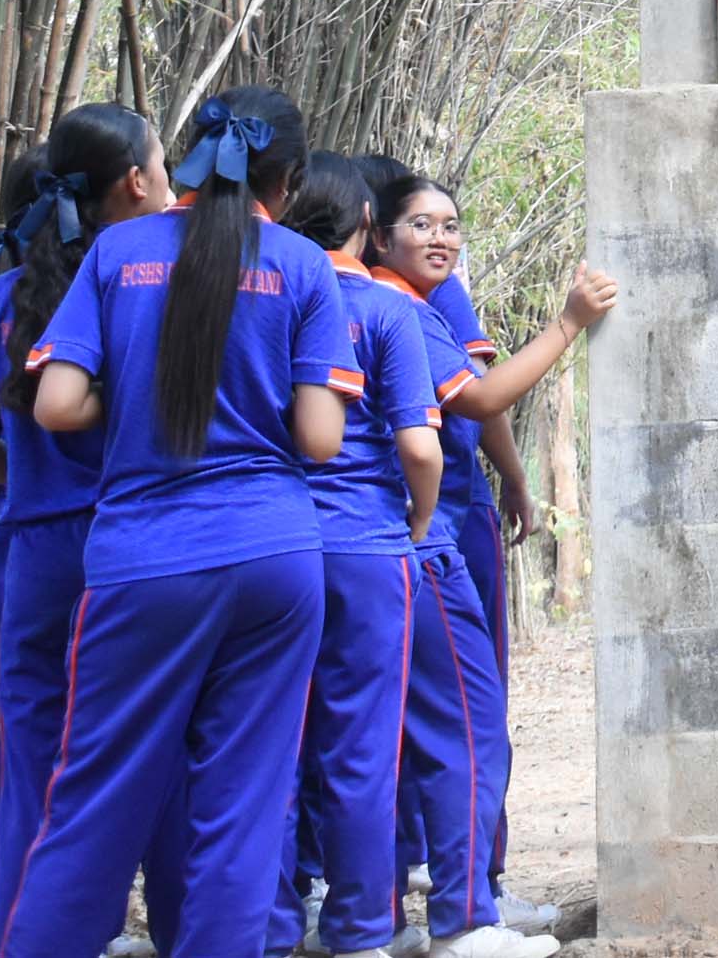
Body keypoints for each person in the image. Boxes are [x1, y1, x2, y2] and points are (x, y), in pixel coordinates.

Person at [0, 89, 366, 958]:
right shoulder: (303, 266)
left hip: (143, 558)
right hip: (275, 556)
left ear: (190, 158)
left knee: (93, 802)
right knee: (242, 810)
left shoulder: (118, 253)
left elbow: (55, 404)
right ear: (288, 181)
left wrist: (138, 392)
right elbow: (321, 437)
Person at [0, 109, 166, 958]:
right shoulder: (145, 284)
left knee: (27, 773)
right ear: (131, 182)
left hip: (27, 554)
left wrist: (30, 467)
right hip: (130, 547)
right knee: (156, 761)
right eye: (160, 164)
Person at [366, 165, 615, 954]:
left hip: (357, 543)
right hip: (417, 537)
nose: (439, 237)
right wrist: (569, 321)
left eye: (450, 224)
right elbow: (476, 399)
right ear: (375, 233)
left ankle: (364, 915)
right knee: (467, 722)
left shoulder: (360, 296)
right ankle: (467, 913)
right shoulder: (399, 308)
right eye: (421, 224)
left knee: (374, 729)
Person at [284, 155, 447, 958]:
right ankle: (356, 928)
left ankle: (271, 923)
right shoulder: (386, 308)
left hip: (277, 540)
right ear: (366, 225)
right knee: (361, 746)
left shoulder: (268, 298)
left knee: (269, 743)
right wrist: (419, 518)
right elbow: (420, 444)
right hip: (366, 545)